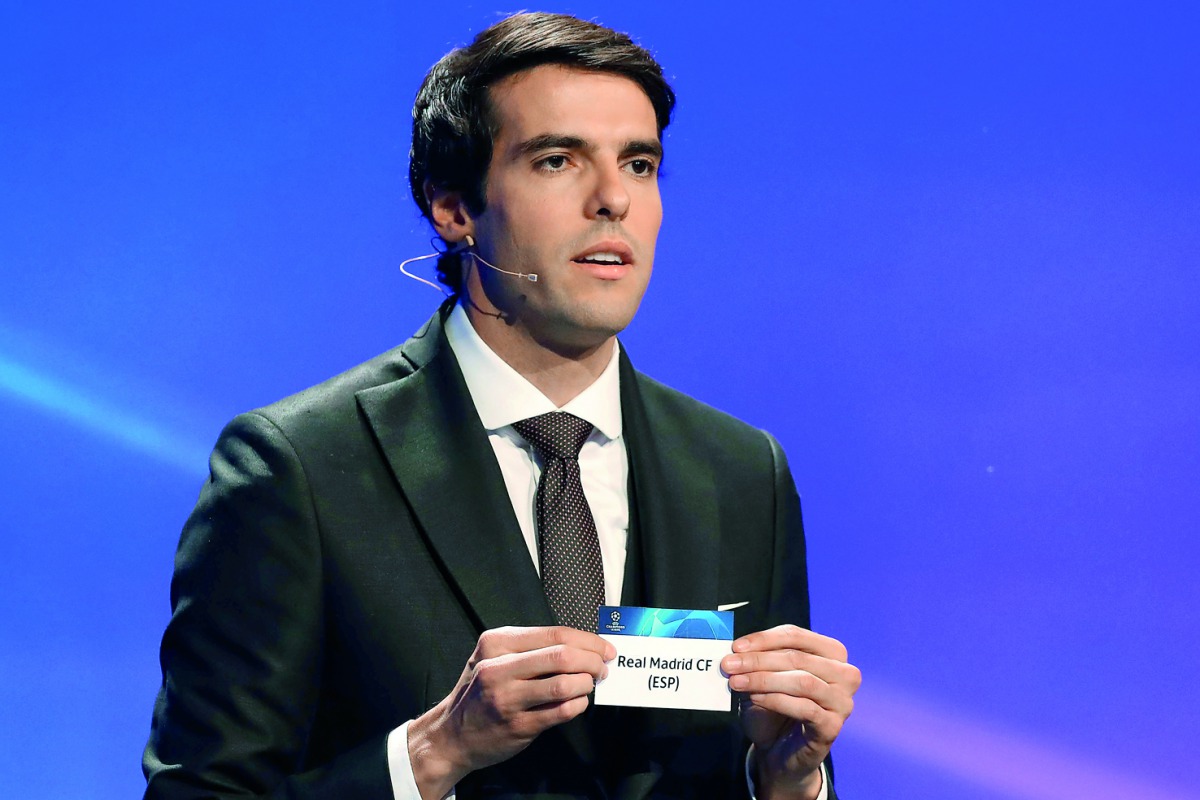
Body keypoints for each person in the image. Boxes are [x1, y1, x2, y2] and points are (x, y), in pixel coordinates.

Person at [142, 12, 860, 800]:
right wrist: (434, 752)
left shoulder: (740, 471)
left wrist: (788, 777)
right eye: (557, 160)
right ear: (453, 207)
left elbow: (753, 767)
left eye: (641, 163)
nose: (613, 198)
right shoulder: (300, 468)